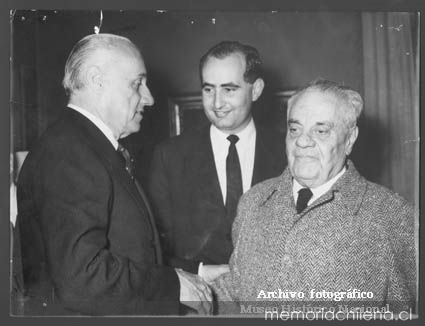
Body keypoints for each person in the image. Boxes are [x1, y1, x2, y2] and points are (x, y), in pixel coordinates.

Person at [15, 33, 212, 316]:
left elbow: (129, 249)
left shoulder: (87, 146)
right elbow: (81, 278)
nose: (150, 97)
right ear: (97, 80)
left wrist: (198, 272)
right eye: (137, 84)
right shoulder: (70, 152)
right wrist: (172, 284)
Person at [212, 79, 417, 314]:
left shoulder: (393, 216)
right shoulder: (253, 201)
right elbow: (233, 293)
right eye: (295, 129)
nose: (302, 141)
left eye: (320, 131)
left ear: (349, 139)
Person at [148, 41, 286, 283]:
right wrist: (199, 272)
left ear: (256, 90)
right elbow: (153, 249)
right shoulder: (169, 156)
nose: (217, 103)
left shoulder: (289, 152)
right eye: (208, 89)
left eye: (229, 90)